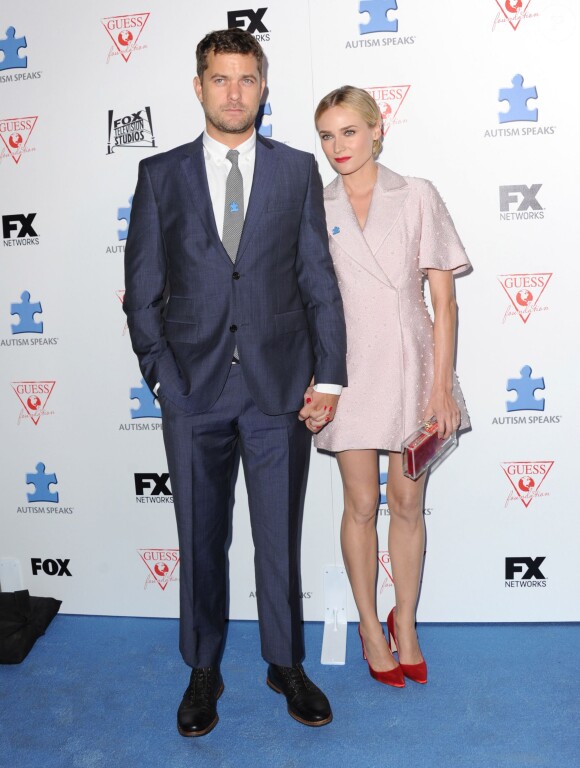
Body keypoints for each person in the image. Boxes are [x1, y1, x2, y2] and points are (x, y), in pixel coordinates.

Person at [123, 29, 347, 736]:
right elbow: (141, 289)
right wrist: (161, 379)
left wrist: (331, 378)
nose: (233, 92)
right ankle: (203, 668)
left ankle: (285, 663)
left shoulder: (294, 171)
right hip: (192, 390)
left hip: (279, 390)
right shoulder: (161, 176)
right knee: (200, 537)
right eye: (220, 79)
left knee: (277, 539)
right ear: (199, 86)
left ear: (263, 86)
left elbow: (318, 280)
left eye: (246, 79)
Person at [311, 86, 470, 687]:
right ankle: (369, 629)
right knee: (360, 505)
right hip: (345, 368)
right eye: (326, 136)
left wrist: (442, 387)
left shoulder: (417, 195)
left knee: (406, 503)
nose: (338, 147)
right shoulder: (315, 203)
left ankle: (405, 623)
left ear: (379, 131)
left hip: (410, 363)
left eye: (349, 132)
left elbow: (445, 302)